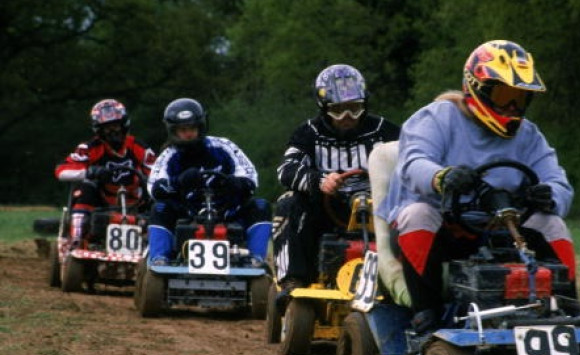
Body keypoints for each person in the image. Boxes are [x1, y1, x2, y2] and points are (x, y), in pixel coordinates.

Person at [375, 40, 577, 334]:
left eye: (520, 98)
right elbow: (413, 163)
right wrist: (441, 177)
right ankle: (427, 312)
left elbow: (558, 182)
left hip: (500, 231)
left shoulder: (529, 135)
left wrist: (550, 195)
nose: (512, 107)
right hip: (441, 230)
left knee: (552, 222)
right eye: (505, 95)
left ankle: (570, 307)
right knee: (417, 213)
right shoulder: (436, 118)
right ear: (476, 87)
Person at [273, 64, 401, 291]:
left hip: (379, 210)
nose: (347, 117)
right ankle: (293, 280)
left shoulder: (385, 130)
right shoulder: (308, 132)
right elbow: (286, 170)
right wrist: (319, 180)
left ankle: (408, 281)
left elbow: (412, 164)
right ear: (323, 108)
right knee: (289, 201)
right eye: (338, 110)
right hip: (327, 212)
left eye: (354, 108)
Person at [146, 98, 271, 266]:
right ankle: (159, 259)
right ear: (174, 131)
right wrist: (179, 182)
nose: (188, 134)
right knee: (160, 208)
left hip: (226, 212)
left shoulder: (223, 146)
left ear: (200, 127)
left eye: (192, 128)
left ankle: (256, 260)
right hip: (188, 213)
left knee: (260, 205)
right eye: (183, 130)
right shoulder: (169, 155)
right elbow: (154, 187)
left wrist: (234, 183)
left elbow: (250, 177)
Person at [55, 99, 156, 249]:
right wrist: (89, 172)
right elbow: (61, 171)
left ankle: (156, 246)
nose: (113, 131)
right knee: (85, 189)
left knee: (160, 200)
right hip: (101, 201)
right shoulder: (89, 148)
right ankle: (77, 240)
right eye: (107, 128)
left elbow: (157, 173)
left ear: (123, 125)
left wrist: (149, 181)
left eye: (115, 126)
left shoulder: (138, 146)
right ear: (99, 130)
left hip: (136, 200)